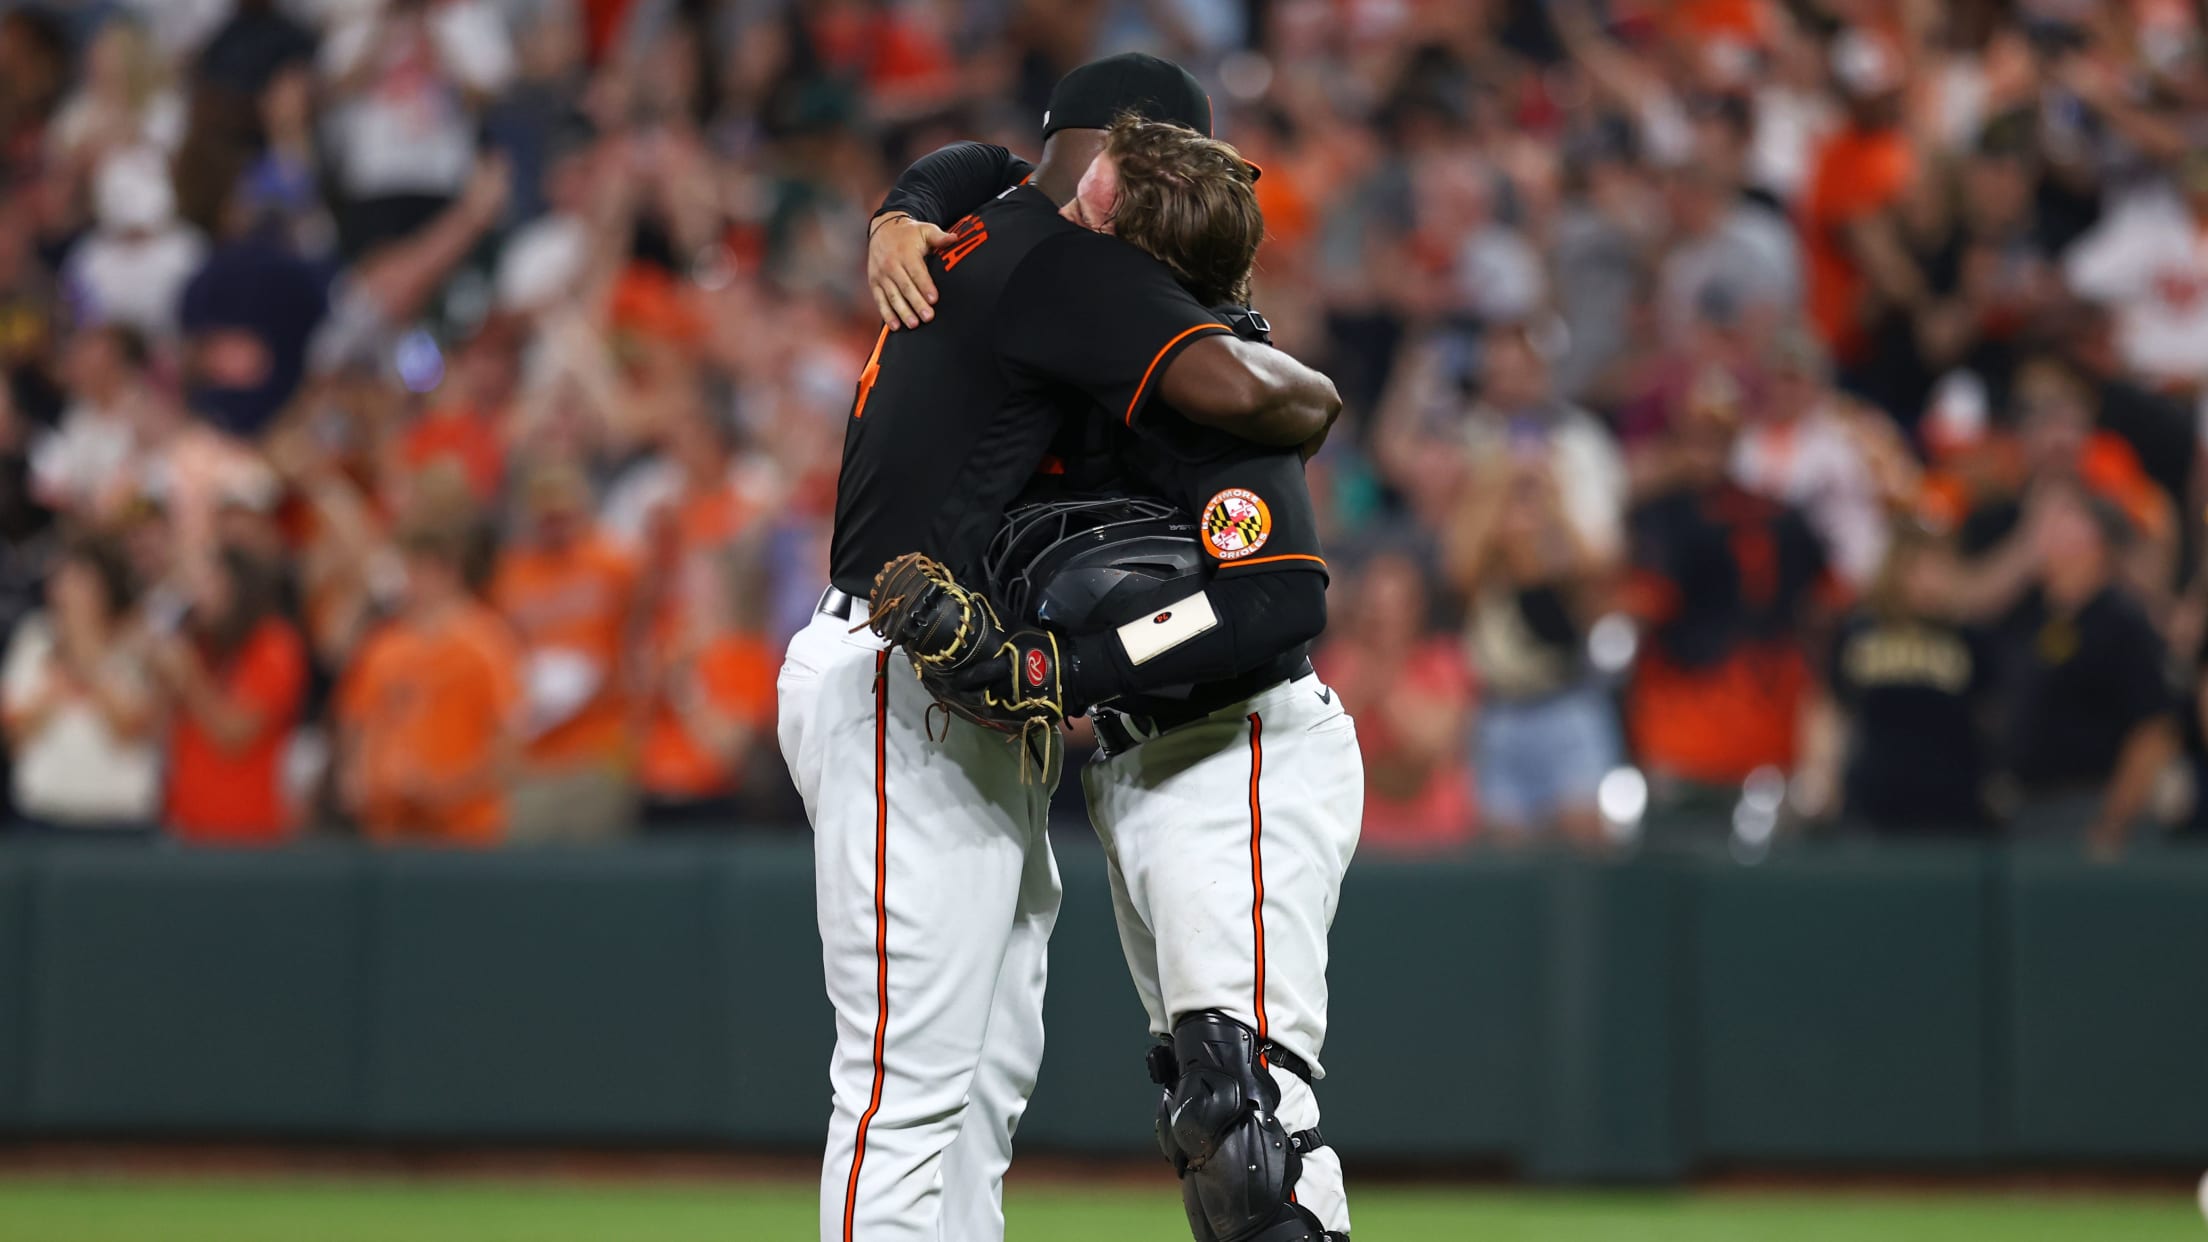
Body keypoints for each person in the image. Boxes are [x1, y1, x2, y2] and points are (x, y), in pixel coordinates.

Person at [785, 54, 1338, 1242]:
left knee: (978, 1090)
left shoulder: (988, 214)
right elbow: (1250, 394)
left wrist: (904, 203)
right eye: (1175, 165)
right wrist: (1310, 384)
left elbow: (984, 158)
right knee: (911, 1095)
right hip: (900, 673)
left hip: (959, 686)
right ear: (1119, 164)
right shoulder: (1069, 262)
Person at [338, 476, 524, 846]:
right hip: (390, 834)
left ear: (447, 571)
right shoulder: (385, 646)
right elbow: (357, 727)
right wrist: (359, 780)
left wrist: (439, 790)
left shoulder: (487, 641)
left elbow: (509, 751)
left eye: (417, 570)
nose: (408, 583)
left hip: (464, 836)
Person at [1795, 521, 1994, 834]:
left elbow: (1991, 714)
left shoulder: (1970, 638)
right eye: (1919, 568)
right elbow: (1830, 708)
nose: (1930, 580)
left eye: (1938, 568)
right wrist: (1822, 776)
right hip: (1872, 798)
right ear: (1896, 572)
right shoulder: (1859, 633)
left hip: (1951, 801)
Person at [489, 460, 640, 842]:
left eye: (562, 513)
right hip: (536, 758)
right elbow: (501, 658)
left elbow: (640, 638)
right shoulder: (510, 574)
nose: (554, 524)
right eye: (545, 515)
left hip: (600, 746)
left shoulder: (614, 562)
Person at [0, 534, 158, 832]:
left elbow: (130, 731)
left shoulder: (136, 643)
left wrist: (87, 665)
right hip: (43, 815)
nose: (67, 591)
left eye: (79, 580)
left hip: (120, 821)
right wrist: (53, 690)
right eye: (62, 579)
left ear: (104, 586)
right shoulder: (34, 639)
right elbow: (15, 737)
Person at [151, 544, 308, 845]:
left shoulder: (274, 646)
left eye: (211, 582)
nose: (199, 595)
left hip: (250, 834)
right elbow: (156, 730)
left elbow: (235, 734)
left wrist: (189, 677)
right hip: (186, 829)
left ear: (239, 588)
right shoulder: (200, 645)